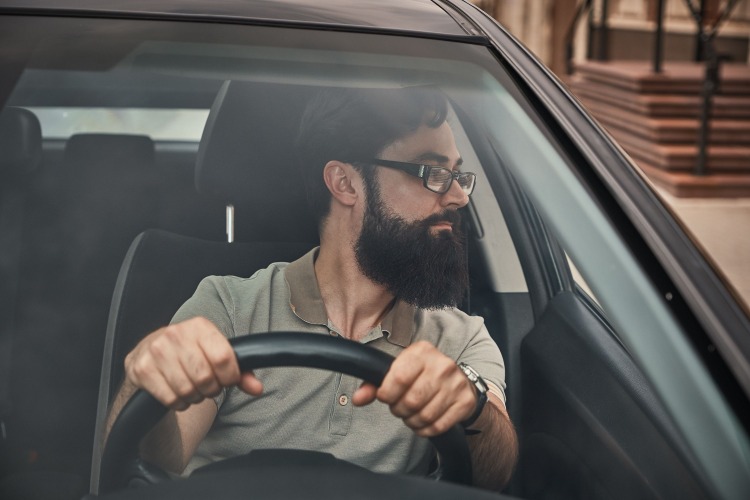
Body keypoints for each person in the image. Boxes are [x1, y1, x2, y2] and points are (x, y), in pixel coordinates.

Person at [105, 86, 518, 490]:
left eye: (458, 174)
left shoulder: (460, 340)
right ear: (345, 183)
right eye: (433, 173)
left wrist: (471, 406)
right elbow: (153, 462)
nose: (460, 196)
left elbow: (492, 476)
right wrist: (148, 387)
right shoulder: (228, 307)